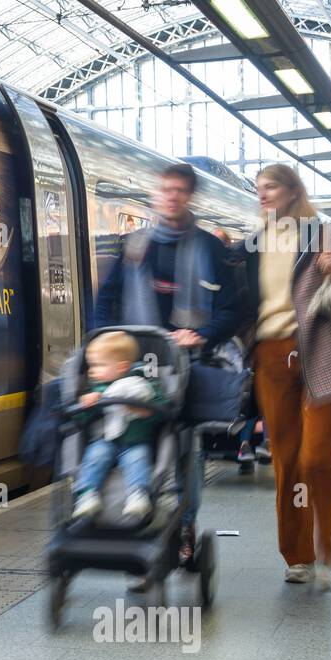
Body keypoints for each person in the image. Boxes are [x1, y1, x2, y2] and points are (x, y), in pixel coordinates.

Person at [240, 164, 331, 591]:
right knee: (287, 462)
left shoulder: (324, 232)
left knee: (316, 460)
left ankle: (327, 551)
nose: (263, 195)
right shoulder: (255, 242)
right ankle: (299, 557)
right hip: (271, 358)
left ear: (292, 191)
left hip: (322, 353)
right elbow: (242, 297)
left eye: (270, 187)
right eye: (259, 189)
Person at [92, 162, 240, 563]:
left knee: (185, 448)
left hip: (185, 365)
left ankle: (184, 523)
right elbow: (104, 301)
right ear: (156, 194)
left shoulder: (211, 248)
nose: (171, 196)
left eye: (179, 190)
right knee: (128, 434)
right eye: (165, 189)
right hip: (133, 364)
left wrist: (204, 333)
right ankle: (121, 506)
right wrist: (104, 337)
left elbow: (234, 307)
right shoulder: (135, 246)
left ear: (189, 197)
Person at [70, 331, 164, 522]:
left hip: (136, 441)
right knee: (95, 456)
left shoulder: (144, 383)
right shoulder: (96, 389)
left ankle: (138, 495)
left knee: (137, 460)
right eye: (90, 365)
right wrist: (85, 404)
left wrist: (144, 410)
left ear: (121, 367)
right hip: (105, 441)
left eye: (98, 365)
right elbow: (81, 419)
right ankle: (87, 494)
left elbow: (163, 410)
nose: (91, 371)